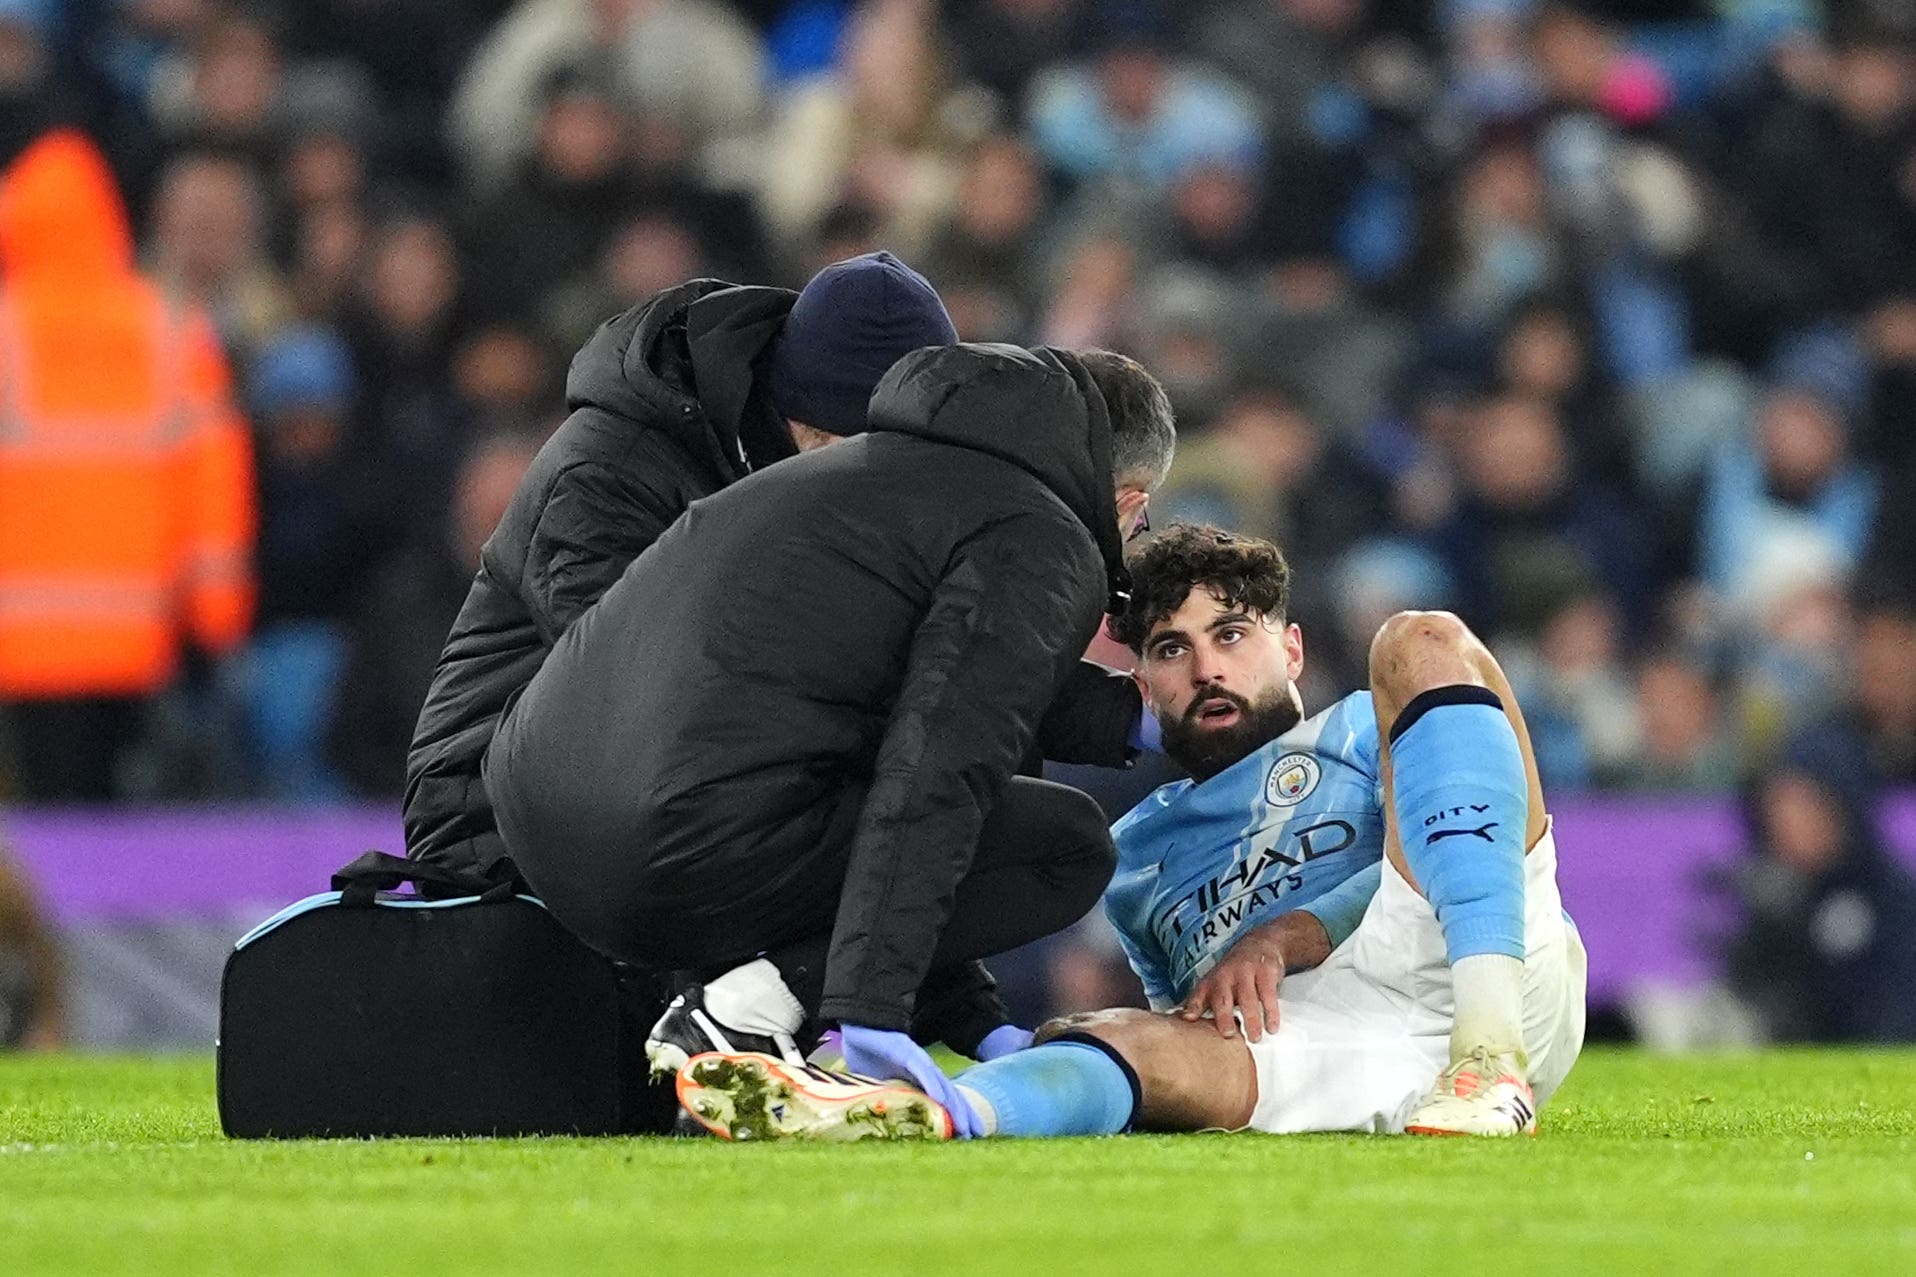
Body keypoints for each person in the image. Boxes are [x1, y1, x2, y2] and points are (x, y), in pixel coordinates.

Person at [677, 524, 1586, 1140]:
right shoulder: (1133, 856)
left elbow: (1463, 826)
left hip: (1471, 952)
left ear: (1294, 649)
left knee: (1423, 639)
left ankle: (1489, 1057)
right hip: (1332, 1041)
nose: (1206, 667)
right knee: (1119, 1035)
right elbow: (1184, 1032)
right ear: (1143, 683)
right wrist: (1086, 1042)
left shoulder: (1361, 722)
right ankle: (912, 1113)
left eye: (1232, 634)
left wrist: (1283, 932)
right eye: (1170, 649)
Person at [484, 345, 1175, 1088]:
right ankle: (747, 1009)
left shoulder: (878, 474)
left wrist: (970, 1018)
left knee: (916, 773)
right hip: (666, 843)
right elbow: (938, 776)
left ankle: (757, 1003)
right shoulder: (1041, 534)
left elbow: (916, 696)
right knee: (1066, 843)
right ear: (1129, 503)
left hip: (541, 818)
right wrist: (871, 1009)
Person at [404, 252, 957, 885]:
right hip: (500, 818)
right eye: (847, 449)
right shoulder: (608, 470)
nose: (864, 481)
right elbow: (639, 690)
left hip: (686, 802)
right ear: (794, 412)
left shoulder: (863, 495)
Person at [0, 129, 256, 801]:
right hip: (143, 638)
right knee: (127, 834)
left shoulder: (6, 332)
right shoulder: (169, 328)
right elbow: (214, 484)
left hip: (23, 651)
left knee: (49, 832)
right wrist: (217, 618)